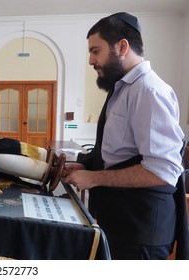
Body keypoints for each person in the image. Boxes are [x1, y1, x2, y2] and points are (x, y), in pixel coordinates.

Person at [63, 12, 188, 259]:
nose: (90, 60)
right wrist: (85, 164)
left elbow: (162, 171)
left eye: (96, 51)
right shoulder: (122, 89)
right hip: (121, 224)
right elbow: (117, 150)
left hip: (140, 232)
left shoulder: (149, 91)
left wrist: (95, 178)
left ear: (122, 46)